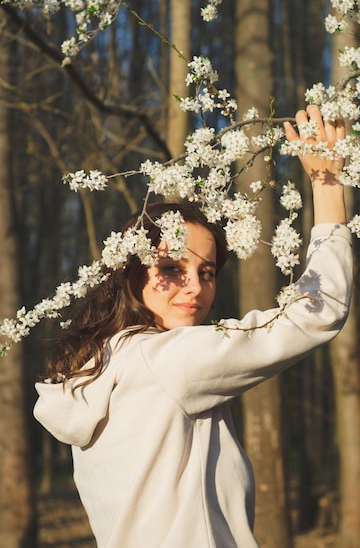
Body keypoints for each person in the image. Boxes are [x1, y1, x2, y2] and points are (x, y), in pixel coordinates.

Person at [34, 105, 353, 548]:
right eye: (171, 267)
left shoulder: (98, 369)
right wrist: (327, 185)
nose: (194, 289)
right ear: (131, 271)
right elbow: (318, 310)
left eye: (207, 272)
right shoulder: (163, 359)